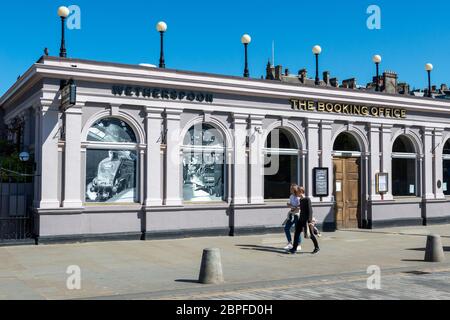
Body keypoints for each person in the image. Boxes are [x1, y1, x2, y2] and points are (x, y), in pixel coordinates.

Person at [289, 187, 320, 254]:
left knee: (311, 234)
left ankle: (317, 247)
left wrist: (310, 221)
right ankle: (294, 248)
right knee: (296, 233)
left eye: (297, 192)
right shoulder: (301, 200)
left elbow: (310, 211)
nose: (296, 193)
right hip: (301, 219)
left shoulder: (307, 199)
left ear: (301, 192)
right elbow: (300, 208)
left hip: (306, 220)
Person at [283, 185, 302, 251]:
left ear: (294, 190)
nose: (290, 190)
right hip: (291, 214)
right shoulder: (291, 196)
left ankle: (299, 244)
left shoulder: (299, 197)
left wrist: (294, 207)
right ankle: (290, 243)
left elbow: (300, 206)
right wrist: (289, 205)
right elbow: (291, 204)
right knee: (286, 228)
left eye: (291, 189)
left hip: (297, 215)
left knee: (297, 230)